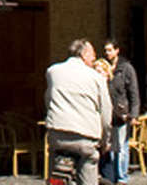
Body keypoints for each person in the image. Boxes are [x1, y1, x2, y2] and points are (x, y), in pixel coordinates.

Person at [45, 39, 111, 185]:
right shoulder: (96, 77)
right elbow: (106, 113)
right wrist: (105, 141)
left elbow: (48, 100)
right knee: (88, 170)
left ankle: (56, 181)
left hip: (58, 135)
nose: (94, 60)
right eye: (93, 55)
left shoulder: (53, 72)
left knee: (56, 173)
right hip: (85, 137)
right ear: (84, 55)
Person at [101, 38, 140, 185]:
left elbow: (133, 92)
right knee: (110, 147)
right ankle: (111, 176)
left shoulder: (126, 68)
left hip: (121, 113)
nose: (107, 53)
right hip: (107, 114)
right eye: (105, 50)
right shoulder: (103, 67)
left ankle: (122, 178)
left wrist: (134, 114)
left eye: (110, 50)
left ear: (117, 50)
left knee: (121, 147)